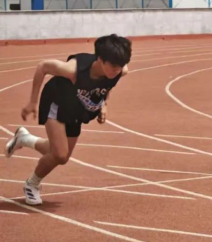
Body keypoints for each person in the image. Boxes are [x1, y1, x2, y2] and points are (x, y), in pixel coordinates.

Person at [4, 34, 132, 205]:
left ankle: (24, 139)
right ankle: (32, 184)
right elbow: (42, 67)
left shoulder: (120, 70)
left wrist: (104, 105)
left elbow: (108, 84)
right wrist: (33, 102)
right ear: (100, 59)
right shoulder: (73, 69)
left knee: (60, 155)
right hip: (56, 101)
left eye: (120, 66)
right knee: (60, 154)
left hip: (76, 108)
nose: (117, 70)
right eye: (113, 66)